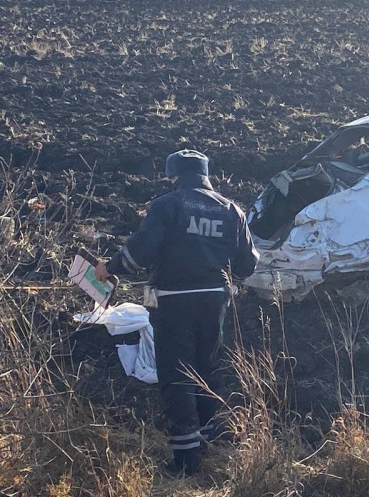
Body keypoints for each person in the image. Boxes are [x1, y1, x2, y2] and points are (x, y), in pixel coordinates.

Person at [95, 149, 259, 475]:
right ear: (206, 175)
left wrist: (109, 268)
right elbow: (248, 264)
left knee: (177, 374)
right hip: (216, 300)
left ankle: (185, 461)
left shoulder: (168, 204)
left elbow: (141, 250)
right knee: (206, 368)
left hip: (174, 300)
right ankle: (210, 440)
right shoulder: (231, 209)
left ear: (174, 176)